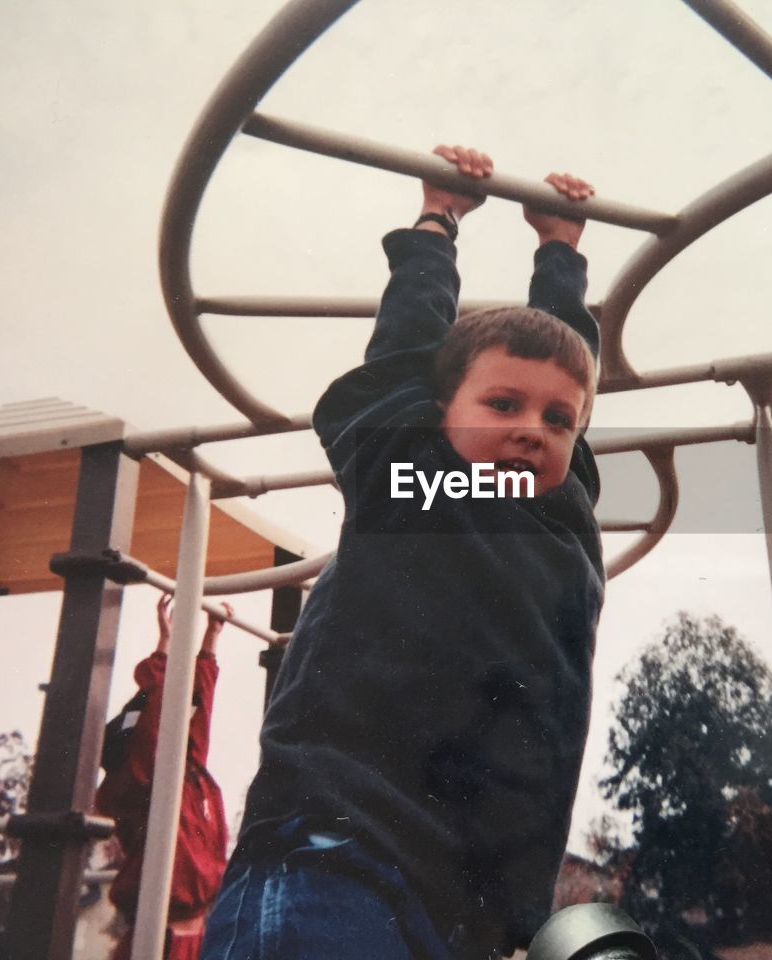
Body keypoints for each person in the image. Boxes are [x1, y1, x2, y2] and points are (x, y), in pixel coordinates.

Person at [200, 145, 604, 960]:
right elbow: (403, 358)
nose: (533, 426)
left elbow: (562, 365)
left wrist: (559, 252)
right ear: (434, 413)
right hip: (341, 856)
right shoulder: (408, 484)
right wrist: (438, 221)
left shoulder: (560, 519)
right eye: (501, 404)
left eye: (558, 422)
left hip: (472, 907)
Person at [97, 594, 233, 960]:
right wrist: (166, 645)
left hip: (196, 936)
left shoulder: (188, 774)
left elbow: (198, 710)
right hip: (161, 940)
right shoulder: (143, 779)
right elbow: (157, 705)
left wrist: (211, 638)